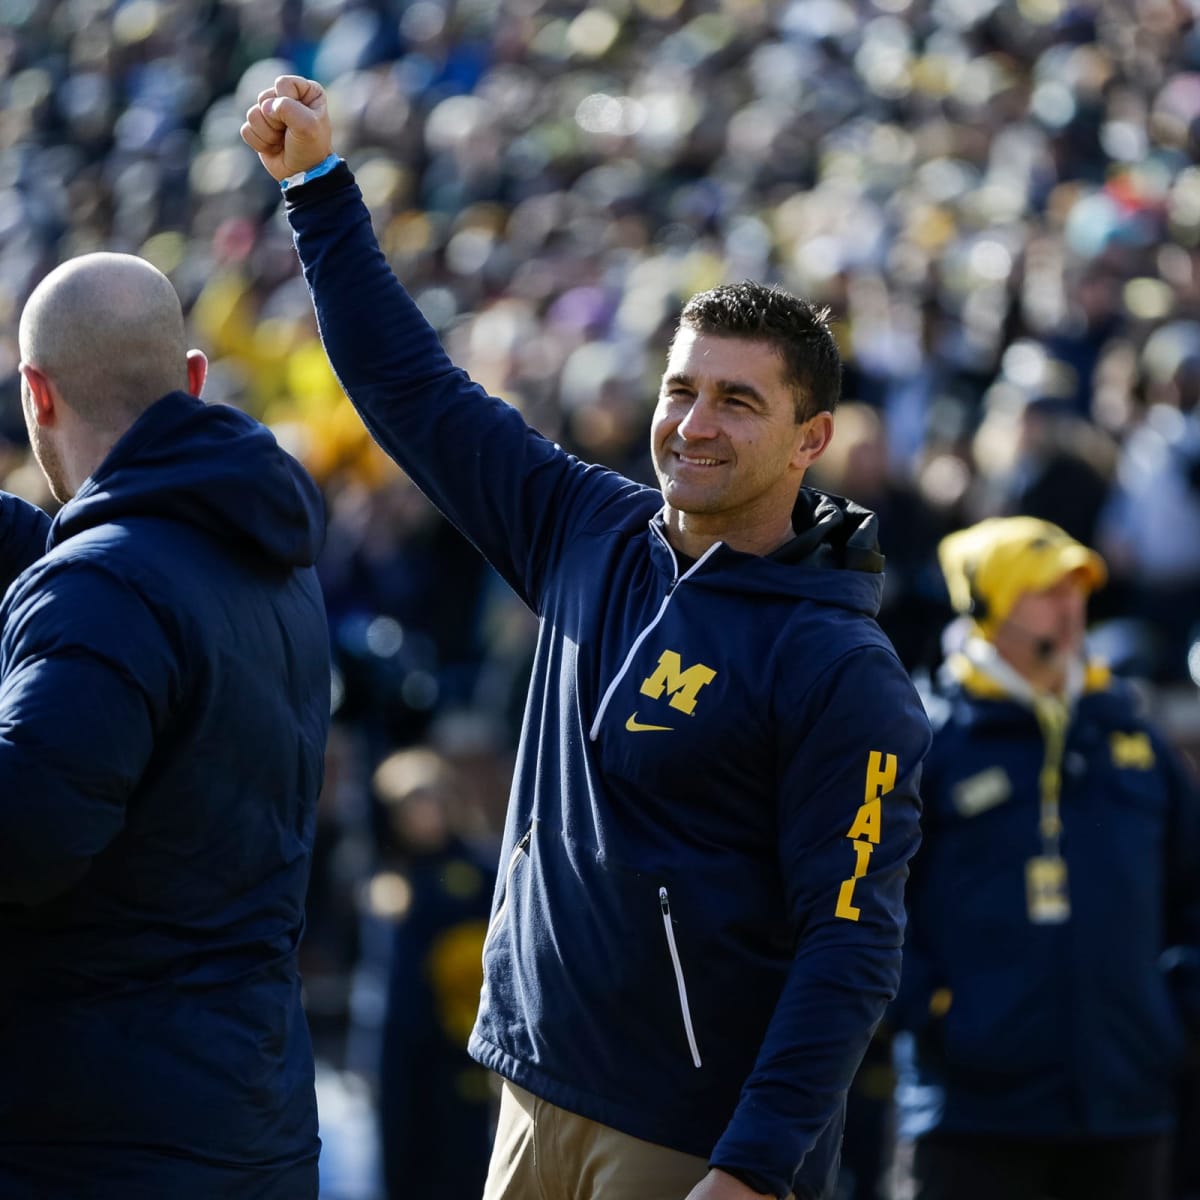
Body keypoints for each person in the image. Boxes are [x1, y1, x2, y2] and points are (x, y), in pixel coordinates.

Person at [242, 76, 932, 1200]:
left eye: (737, 404)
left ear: (812, 440)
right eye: (680, 389)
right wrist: (317, 190)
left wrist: (755, 1168)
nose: (692, 425)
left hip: (691, 1145)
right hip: (529, 1096)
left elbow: (851, 949)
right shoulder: (585, 526)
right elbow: (410, 390)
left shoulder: (842, 670)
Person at [0, 251, 331, 1198]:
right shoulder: (268, 554)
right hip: (247, 1120)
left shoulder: (105, 586)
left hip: (96, 1142)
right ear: (191, 378)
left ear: (36, 395)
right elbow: (111, 577)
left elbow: (22, 842)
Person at [890, 516, 1200, 1200]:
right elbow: (872, 900)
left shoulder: (1132, 731)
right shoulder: (928, 740)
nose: (1071, 608)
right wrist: (937, 1016)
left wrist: (1173, 1014)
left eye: (1077, 589)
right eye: (1045, 591)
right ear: (991, 607)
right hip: (972, 1116)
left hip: (1124, 1104)